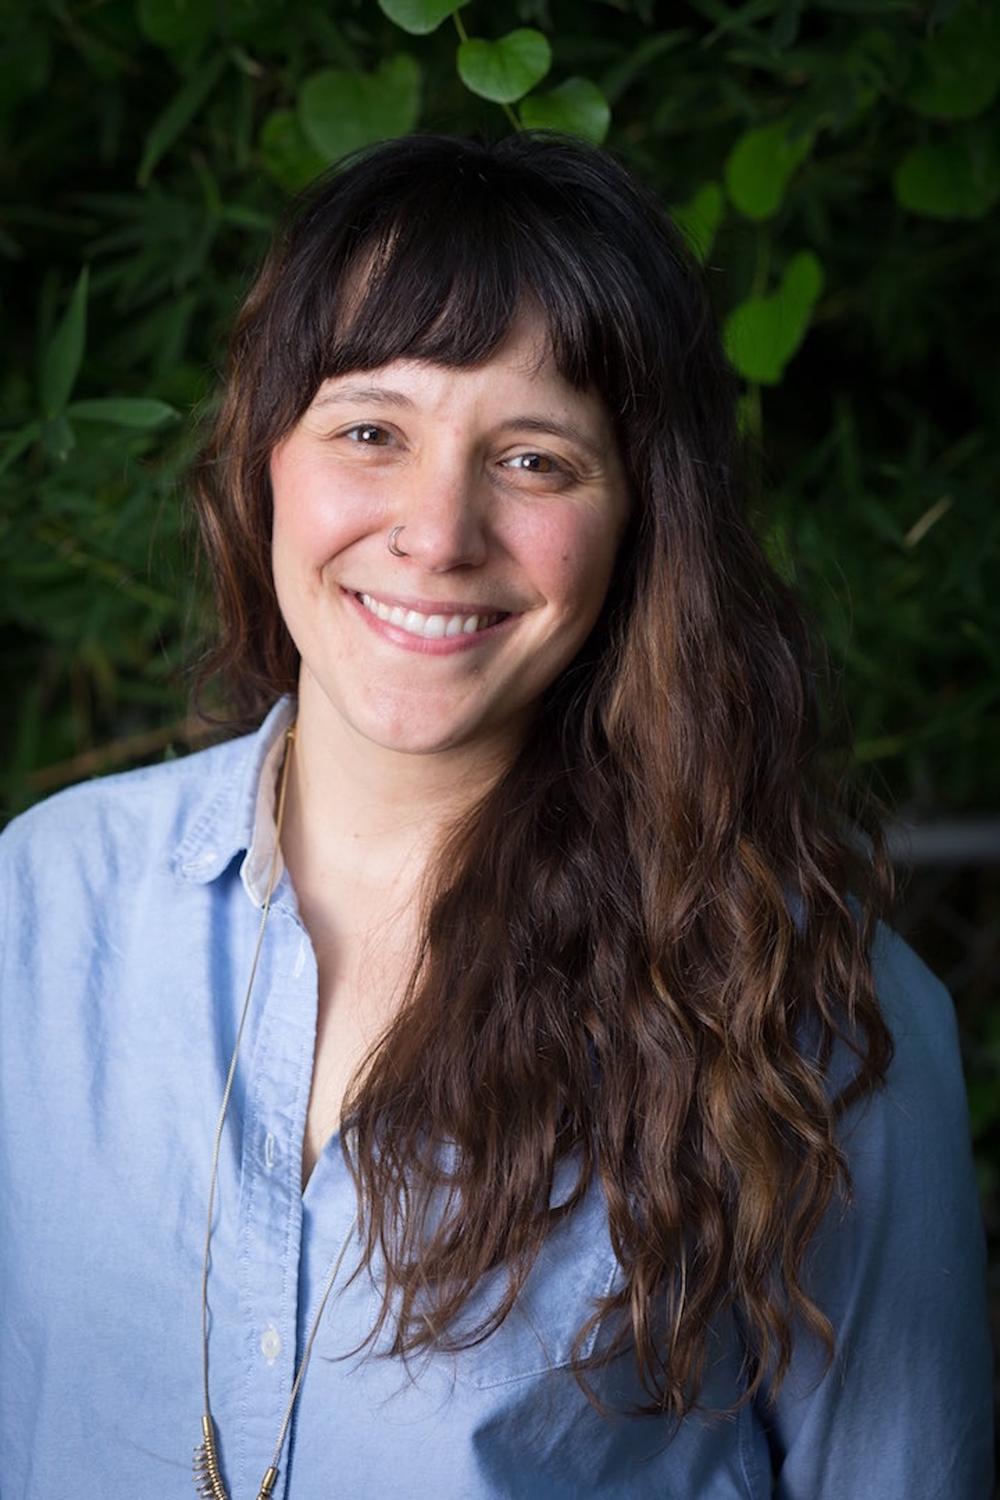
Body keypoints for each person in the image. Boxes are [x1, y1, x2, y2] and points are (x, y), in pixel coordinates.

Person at [0, 132, 992, 1500]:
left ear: (646, 521)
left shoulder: (809, 1018)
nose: (437, 529)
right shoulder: (40, 910)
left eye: (535, 460)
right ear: (266, 457)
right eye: (370, 430)